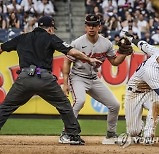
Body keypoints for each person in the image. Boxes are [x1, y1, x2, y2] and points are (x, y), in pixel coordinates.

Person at [0, 15, 102, 145]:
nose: (53, 31)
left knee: (6, 107)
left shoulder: (22, 37)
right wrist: (89, 59)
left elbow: (2, 48)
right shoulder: (50, 38)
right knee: (64, 105)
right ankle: (72, 135)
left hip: (24, 79)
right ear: (49, 28)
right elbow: (72, 52)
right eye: (53, 28)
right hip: (44, 79)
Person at [59, 14, 133, 145]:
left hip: (94, 78)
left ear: (99, 26)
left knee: (114, 105)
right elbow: (66, 62)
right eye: (88, 25)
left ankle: (111, 134)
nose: (91, 27)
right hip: (78, 77)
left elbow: (115, 62)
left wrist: (123, 54)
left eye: (94, 25)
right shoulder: (77, 43)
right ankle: (66, 133)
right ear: (85, 27)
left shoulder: (106, 44)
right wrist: (65, 83)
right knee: (79, 101)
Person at [122, 32, 159, 145]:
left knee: (155, 105)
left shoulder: (158, 52)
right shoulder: (151, 70)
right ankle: (138, 131)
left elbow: (142, 44)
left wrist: (130, 38)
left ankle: (148, 135)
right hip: (134, 92)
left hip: (150, 90)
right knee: (133, 132)